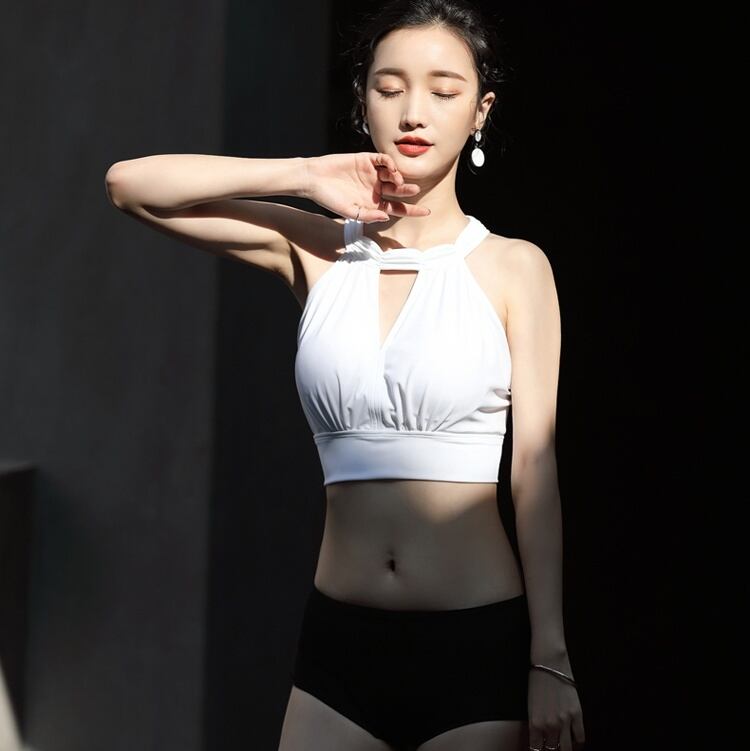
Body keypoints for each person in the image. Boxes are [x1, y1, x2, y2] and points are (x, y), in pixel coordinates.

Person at [104, 1, 586, 749]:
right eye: (389, 87)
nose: (413, 110)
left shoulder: (514, 267)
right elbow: (130, 186)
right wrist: (305, 174)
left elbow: (534, 467)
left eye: (443, 89)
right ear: (363, 101)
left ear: (481, 111)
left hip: (474, 642)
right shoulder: (319, 249)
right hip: (338, 645)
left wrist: (548, 654)